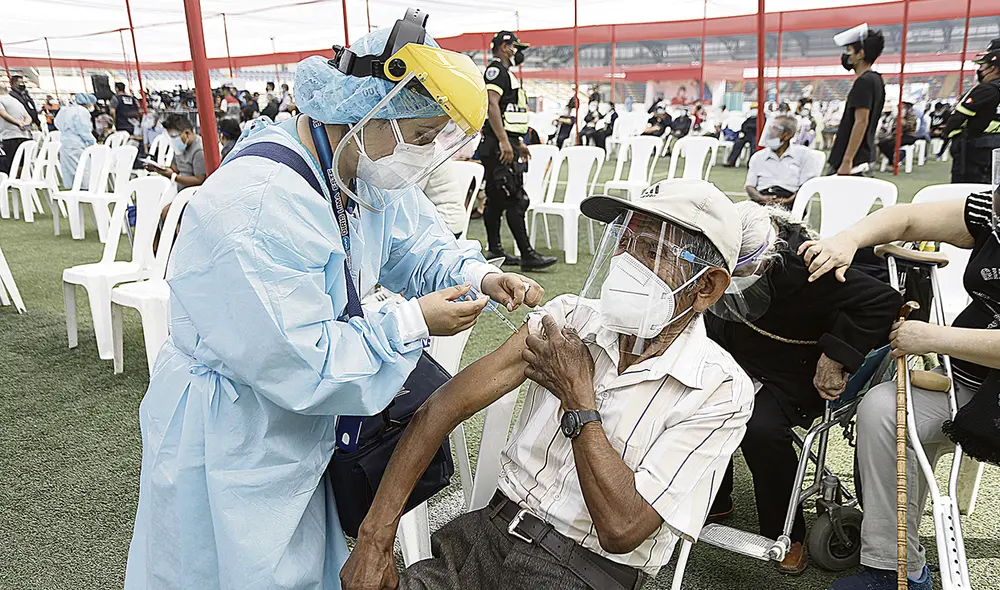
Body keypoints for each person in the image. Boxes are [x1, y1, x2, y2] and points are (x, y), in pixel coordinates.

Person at [124, 18, 546, 590]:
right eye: (419, 137)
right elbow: (303, 361)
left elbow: (414, 243)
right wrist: (410, 320)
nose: (420, 158)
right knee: (224, 568)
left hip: (290, 427)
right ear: (369, 108)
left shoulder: (353, 171)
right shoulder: (260, 204)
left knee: (294, 562)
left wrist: (479, 275)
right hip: (233, 431)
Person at [341, 179, 754, 590]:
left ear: (706, 286)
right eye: (625, 241)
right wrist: (374, 539)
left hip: (581, 573)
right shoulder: (570, 320)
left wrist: (578, 397)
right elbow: (442, 407)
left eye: (652, 250)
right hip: (484, 535)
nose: (627, 262)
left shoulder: (718, 389)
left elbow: (622, 528)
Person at [798, 186, 1000, 590]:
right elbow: (906, 218)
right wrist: (846, 240)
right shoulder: (990, 210)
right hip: (969, 384)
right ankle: (893, 569)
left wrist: (934, 338)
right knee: (882, 408)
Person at [705, 201, 900, 575]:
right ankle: (717, 497)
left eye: (745, 266)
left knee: (759, 427)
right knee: (704, 400)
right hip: (735, 353)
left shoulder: (807, 267)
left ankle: (783, 531)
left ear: (768, 254)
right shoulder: (718, 251)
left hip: (793, 369)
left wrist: (835, 356)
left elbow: (883, 302)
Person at [480, 30, 557, 271]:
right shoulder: (496, 72)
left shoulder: (505, 73)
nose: (517, 52)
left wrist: (517, 142)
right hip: (498, 145)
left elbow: (507, 111)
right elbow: (492, 105)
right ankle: (526, 254)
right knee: (514, 199)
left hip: (504, 143)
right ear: (504, 47)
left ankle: (495, 249)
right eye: (515, 47)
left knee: (496, 200)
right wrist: (504, 141)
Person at [826, 24, 885, 176]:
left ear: (860, 54)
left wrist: (847, 160)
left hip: (854, 161)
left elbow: (861, 121)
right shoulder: (876, 80)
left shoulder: (863, 82)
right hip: (864, 155)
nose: (846, 55)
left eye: (849, 50)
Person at [943, 38, 1000, 183]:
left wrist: (949, 133)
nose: (980, 70)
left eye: (983, 66)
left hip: (976, 150)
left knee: (964, 193)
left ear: (992, 68)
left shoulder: (985, 89)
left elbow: (957, 118)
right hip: (994, 149)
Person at [744, 115, 822, 209]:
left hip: (790, 201)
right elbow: (749, 186)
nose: (769, 133)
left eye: (774, 129)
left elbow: (806, 187)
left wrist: (786, 201)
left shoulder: (804, 155)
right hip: (761, 200)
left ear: (788, 134)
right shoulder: (758, 157)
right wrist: (762, 198)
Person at [143, 114, 206, 189]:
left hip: (190, 192)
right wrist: (158, 169)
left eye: (174, 136)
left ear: (187, 133)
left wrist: (174, 177)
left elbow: (199, 180)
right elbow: (175, 168)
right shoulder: (181, 146)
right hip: (177, 188)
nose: (173, 140)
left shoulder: (199, 150)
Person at [53, 93, 97, 188]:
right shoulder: (82, 111)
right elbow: (84, 130)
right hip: (77, 144)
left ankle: (74, 190)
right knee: (83, 170)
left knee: (70, 171)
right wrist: (93, 142)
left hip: (66, 143)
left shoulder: (66, 110)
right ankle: (86, 190)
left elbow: (57, 123)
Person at [0, 81, 32, 175]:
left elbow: (3, 114)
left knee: (11, 162)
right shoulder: (15, 100)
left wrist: (17, 123)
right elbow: (28, 116)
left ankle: (11, 181)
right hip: (24, 135)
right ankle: (23, 180)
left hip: (9, 135)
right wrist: (24, 124)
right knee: (21, 162)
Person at [876, 100, 917, 165]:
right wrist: (891, 134)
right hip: (897, 136)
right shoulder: (896, 116)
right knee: (881, 143)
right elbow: (894, 128)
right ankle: (891, 160)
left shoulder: (911, 115)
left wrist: (902, 120)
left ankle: (892, 162)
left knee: (891, 144)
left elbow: (909, 127)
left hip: (909, 136)